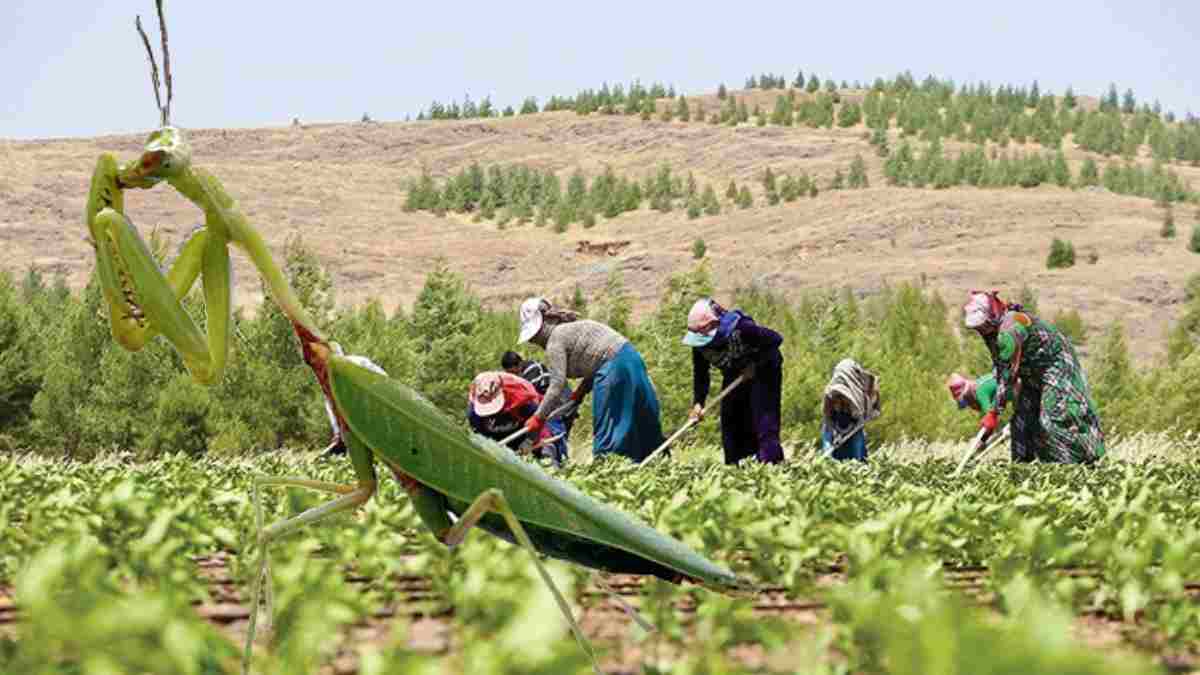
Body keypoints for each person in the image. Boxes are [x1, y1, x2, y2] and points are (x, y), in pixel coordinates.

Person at [962, 290, 1106, 464]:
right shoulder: (990, 333)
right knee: (1022, 422)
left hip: (1056, 364)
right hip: (1030, 372)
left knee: (1053, 418)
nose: (981, 330)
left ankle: (1076, 465)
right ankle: (1024, 471)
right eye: (978, 328)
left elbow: (1007, 376)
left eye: (982, 325)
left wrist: (993, 413)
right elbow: (1002, 369)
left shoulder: (1010, 328)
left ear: (992, 314)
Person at [517, 297, 664, 463]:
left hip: (614, 368)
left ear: (543, 323)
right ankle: (656, 463)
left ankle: (606, 472)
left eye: (534, 336)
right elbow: (595, 359)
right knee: (642, 420)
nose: (534, 341)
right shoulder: (569, 330)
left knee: (608, 431)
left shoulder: (555, 340)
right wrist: (579, 394)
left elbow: (556, 386)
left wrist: (538, 417)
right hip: (631, 359)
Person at [683, 298, 785, 465]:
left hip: (765, 370)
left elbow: (775, 340)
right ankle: (735, 471)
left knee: (763, 423)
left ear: (714, 324)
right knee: (731, 423)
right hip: (734, 372)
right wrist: (698, 403)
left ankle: (770, 467)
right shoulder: (699, 344)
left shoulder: (742, 328)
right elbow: (701, 373)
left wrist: (755, 364)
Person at [467, 371, 568, 465]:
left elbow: (537, 422)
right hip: (499, 435)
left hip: (525, 427)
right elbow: (478, 434)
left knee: (546, 457)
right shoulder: (474, 412)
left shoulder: (523, 399)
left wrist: (529, 442)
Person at [323, 347, 387, 457]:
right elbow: (331, 405)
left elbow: (384, 380)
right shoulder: (329, 378)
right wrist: (338, 433)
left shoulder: (359, 363)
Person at [501, 350, 579, 438]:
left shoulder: (532, 372)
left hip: (562, 401)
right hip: (555, 399)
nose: (513, 376)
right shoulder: (524, 371)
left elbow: (527, 397)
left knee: (556, 434)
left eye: (513, 372)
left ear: (519, 364)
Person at [819, 358, 881, 462]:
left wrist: (846, 434)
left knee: (856, 461)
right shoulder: (830, 393)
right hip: (834, 428)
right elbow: (827, 417)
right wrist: (833, 439)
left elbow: (862, 416)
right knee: (830, 460)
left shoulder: (859, 393)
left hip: (854, 429)